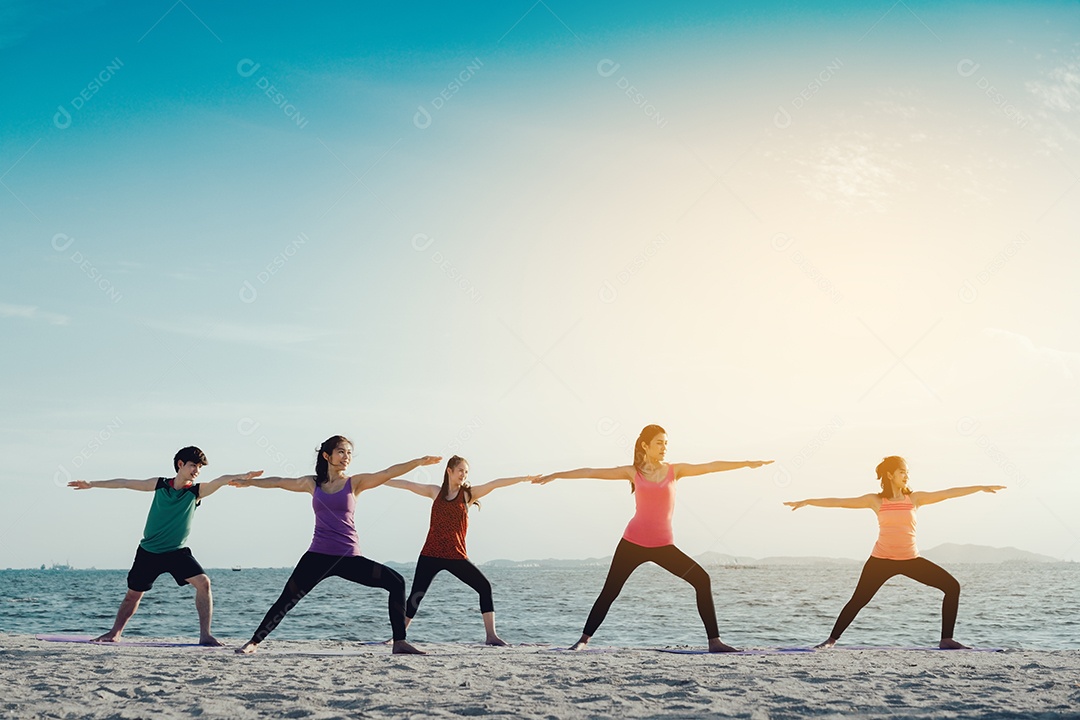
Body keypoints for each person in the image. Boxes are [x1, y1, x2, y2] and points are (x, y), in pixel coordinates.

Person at [534, 424, 772, 652]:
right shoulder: (632, 472)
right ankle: (583, 641)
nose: (664, 447)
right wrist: (556, 475)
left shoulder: (674, 470)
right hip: (632, 543)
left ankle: (714, 641)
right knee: (610, 592)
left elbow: (710, 466)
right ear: (645, 446)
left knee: (702, 579)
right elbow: (590, 472)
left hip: (663, 546)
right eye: (659, 443)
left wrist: (747, 464)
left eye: (666, 443)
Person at [231, 435, 440, 655]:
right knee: (286, 600)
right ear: (326, 455)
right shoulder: (312, 483)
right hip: (318, 555)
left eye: (349, 453)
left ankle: (399, 642)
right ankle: (253, 643)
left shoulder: (355, 483)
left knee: (396, 582)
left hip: (348, 557)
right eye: (341, 452)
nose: (346, 457)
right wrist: (250, 482)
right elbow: (279, 482)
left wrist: (418, 462)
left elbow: (387, 473)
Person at [784, 455, 1005, 649]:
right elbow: (841, 502)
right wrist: (807, 502)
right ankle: (831, 640)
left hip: (910, 559)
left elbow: (947, 493)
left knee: (952, 587)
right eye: (902, 472)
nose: (906, 476)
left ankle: (946, 639)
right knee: (858, 600)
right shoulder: (877, 500)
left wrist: (980, 487)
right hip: (881, 560)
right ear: (890, 475)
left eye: (907, 472)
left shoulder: (915, 499)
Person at [68, 446, 261, 645]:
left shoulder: (196, 491)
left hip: (177, 553)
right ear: (180, 464)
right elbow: (124, 483)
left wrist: (244, 476)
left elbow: (220, 480)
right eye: (193, 465)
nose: (197, 471)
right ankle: (115, 633)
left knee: (204, 583)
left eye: (200, 467)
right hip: (149, 552)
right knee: (133, 595)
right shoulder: (160, 485)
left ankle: (205, 635)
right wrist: (91, 484)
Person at [383, 455, 538, 645]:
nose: (464, 475)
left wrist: (523, 478)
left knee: (484, 587)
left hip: (455, 555)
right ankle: (397, 637)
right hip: (430, 554)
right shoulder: (435, 492)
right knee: (416, 595)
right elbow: (407, 485)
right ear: (449, 471)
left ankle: (491, 636)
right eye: (460, 471)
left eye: (466, 471)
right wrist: (379, 479)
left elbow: (495, 484)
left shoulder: (468, 495)